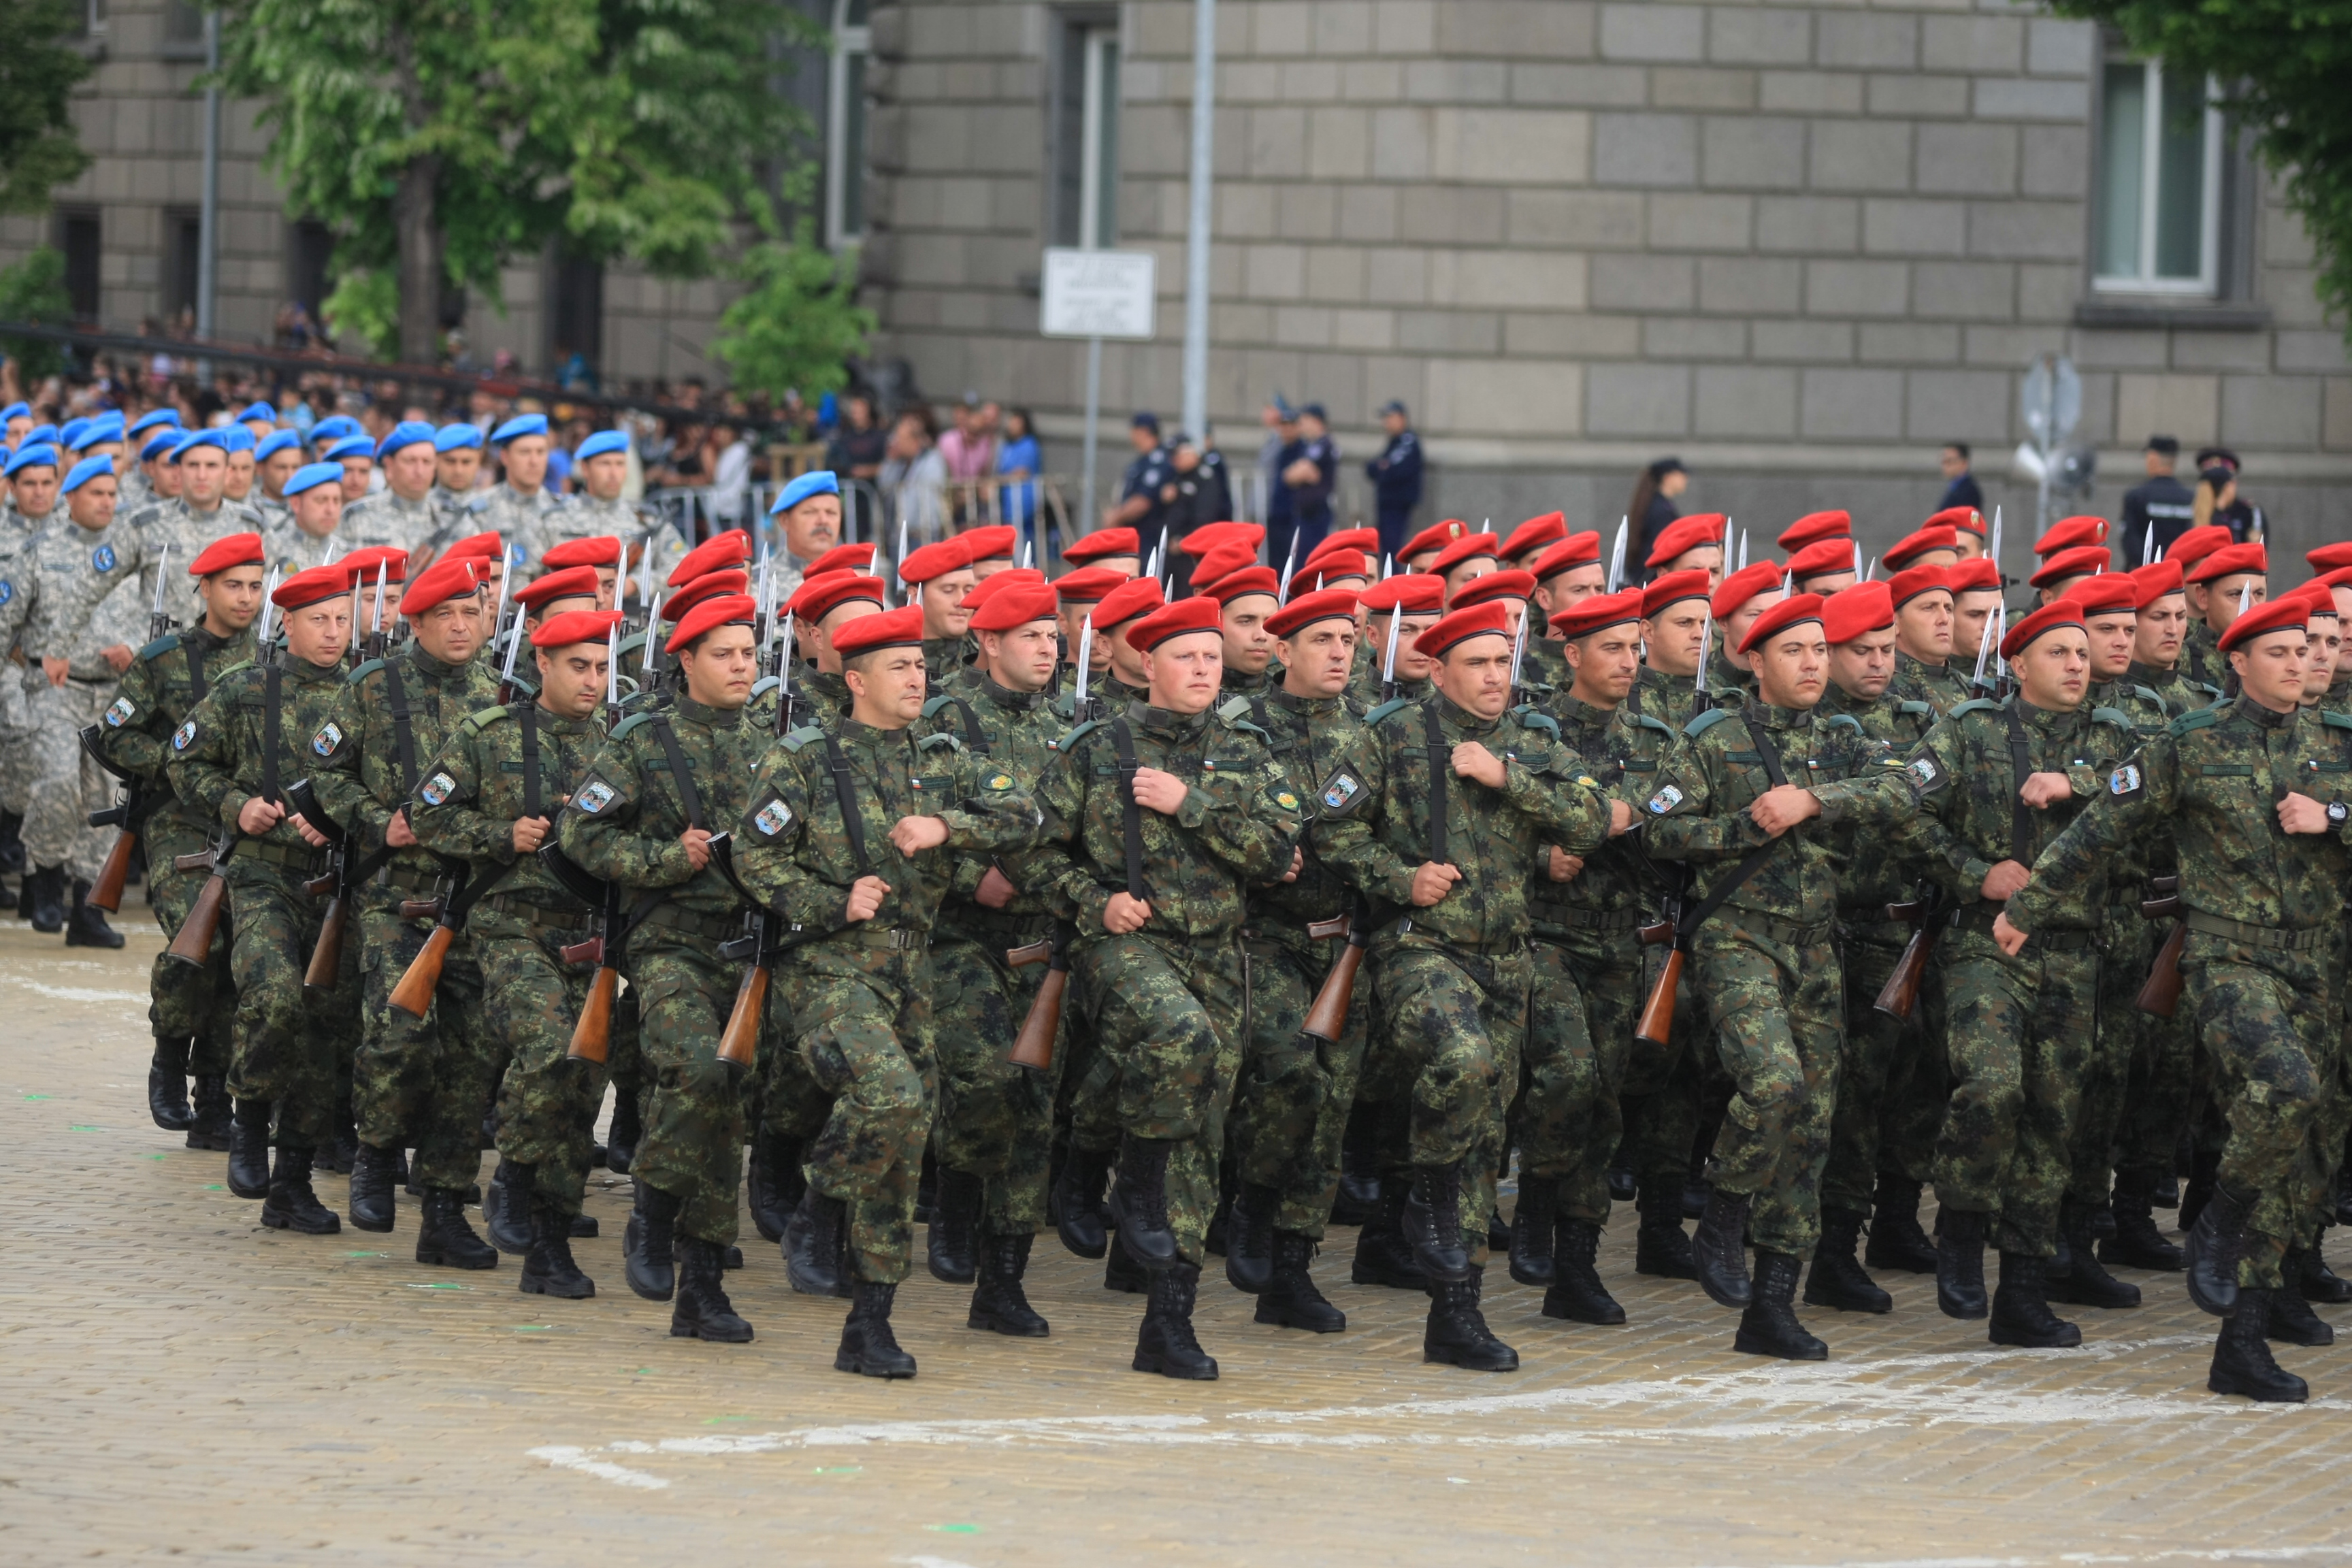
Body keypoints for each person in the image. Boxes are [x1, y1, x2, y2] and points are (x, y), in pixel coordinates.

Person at [1999, 593, 2346, 1401]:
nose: (2301, 664)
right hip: (2229, 962)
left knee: (2292, 1151)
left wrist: (2334, 815)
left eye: (2307, 652)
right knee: (2286, 1088)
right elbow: (2099, 829)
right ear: (2239, 661)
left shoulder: (2336, 746)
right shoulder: (2189, 746)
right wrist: (2029, 905)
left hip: (2316, 967)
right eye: (2282, 653)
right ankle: (2217, 1215)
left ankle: (2244, 1343)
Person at [1320, 602, 1629, 1370]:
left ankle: (1455, 1315)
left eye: (1503, 662)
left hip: (1509, 958)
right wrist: (1399, 876)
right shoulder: (1390, 736)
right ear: (1439, 669)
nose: (1496, 678)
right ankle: (1424, 1190)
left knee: (1487, 1134)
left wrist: (1509, 778)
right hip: (1420, 947)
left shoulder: (1531, 740)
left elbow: (1594, 821)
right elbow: (1332, 829)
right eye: (1479, 664)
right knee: (1464, 1064)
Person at [736, 604, 1037, 1375]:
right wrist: (830, 901)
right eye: (900, 667)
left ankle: (869, 1322)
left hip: (913, 974)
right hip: (830, 967)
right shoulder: (801, 758)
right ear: (856, 678)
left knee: (904, 1148)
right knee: (893, 1097)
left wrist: (947, 826)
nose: (918, 678)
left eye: (921, 665)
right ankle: (817, 1206)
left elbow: (1027, 811)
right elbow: (754, 858)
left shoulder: (942, 758)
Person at [1010, 595, 1305, 1379]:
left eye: (1214, 656)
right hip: (1125, 948)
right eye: (1188, 656)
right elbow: (1032, 856)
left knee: (1203, 1132)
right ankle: (1134, 1182)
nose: (1205, 669)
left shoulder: (1247, 749)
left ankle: (1167, 1325)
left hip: (1219, 953)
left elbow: (1281, 854)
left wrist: (1192, 805)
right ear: (1148, 665)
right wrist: (1094, 901)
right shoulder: (1097, 748)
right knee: (1183, 1040)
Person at [1640, 592, 1928, 1358]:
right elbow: (1657, 830)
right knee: (1774, 1085)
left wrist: (1814, 800)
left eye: (1816, 649)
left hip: (1814, 946)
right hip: (1736, 939)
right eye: (1793, 651)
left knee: (1809, 1128)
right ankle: (1726, 1204)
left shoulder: (1843, 738)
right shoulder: (1712, 737)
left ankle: (1771, 1307)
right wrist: (1745, 827)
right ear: (1754, 660)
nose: (1811, 663)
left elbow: (1905, 791)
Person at [1900, 600, 2136, 1346]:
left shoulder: (2114, 737)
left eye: (2082, 652)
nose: (2077, 665)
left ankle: (2024, 1293)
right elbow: (1905, 808)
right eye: (2060, 652)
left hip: (2073, 947)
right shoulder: (1972, 730)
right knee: (1992, 1085)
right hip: (1985, 945)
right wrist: (1974, 872)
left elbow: (2154, 794)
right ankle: (1963, 1227)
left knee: (2051, 1116)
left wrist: (2078, 784)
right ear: (2017, 662)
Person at [557, 592, 765, 1341]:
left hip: (748, 948)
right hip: (669, 940)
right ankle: (651, 1209)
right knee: (697, 1072)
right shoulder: (645, 741)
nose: (741, 667)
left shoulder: (776, 743)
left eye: (748, 654)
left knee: (728, 1106)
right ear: (685, 660)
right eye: (724, 654)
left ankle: (702, 1286)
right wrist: (661, 860)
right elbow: (578, 833)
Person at [407, 607, 622, 1298]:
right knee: (538, 1053)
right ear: (544, 666)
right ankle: (480, 1196)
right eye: (579, 667)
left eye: (600, 667)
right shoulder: (489, 735)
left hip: (586, 937)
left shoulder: (620, 745)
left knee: (581, 1075)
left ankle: (546, 1230)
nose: (593, 680)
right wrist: (500, 835)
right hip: (504, 926)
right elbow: (426, 814)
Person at [313, 557, 504, 1261]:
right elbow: (325, 776)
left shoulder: (501, 694)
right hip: (396, 893)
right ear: (415, 623)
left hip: (474, 896)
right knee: (398, 1035)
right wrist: (373, 819)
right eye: (445, 615)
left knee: (472, 1056)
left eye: (472, 612)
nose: (461, 626)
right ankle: (375, 1152)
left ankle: (447, 1206)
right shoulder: (372, 689)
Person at [166, 561, 363, 1235]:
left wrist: (340, 820)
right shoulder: (247, 688)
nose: (334, 633)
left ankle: (293, 1183)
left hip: (338, 885)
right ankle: (248, 1116)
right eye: (319, 621)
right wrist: (235, 804)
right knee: (275, 997)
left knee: (325, 1030)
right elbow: (183, 760)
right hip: (260, 876)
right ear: (287, 623)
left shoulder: (367, 697)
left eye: (343, 619)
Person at [909, 580, 1066, 1332]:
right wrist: (975, 876)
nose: (1048, 649)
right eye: (1032, 637)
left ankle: (1003, 1280)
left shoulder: (1070, 726)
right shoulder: (939, 718)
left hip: (1046, 943)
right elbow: (904, 824)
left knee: (1035, 1106)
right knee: (979, 1082)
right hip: (960, 935)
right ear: (991, 642)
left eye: (1054, 637)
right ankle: (956, 1198)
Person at [1218, 587, 1369, 1332]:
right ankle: (1250, 1201)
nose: (1340, 652)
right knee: (1287, 1074)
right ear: (1283, 652)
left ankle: (1292, 1267)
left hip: (1346, 943)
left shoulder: (1373, 735)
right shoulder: (1242, 731)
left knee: (1333, 1102)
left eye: (1348, 639)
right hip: (1268, 937)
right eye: (1322, 640)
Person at [97, 532, 264, 1150]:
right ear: (206, 589)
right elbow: (113, 736)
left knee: (241, 958)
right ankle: (170, 1051)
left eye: (255, 585)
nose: (246, 598)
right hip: (179, 823)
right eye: (233, 586)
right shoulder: (164, 659)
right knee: (198, 947)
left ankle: (215, 1095)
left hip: (248, 824)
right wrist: (176, 760)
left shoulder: (271, 657)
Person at [11, 455, 146, 941]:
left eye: (112, 494)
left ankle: (87, 908)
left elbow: (156, 613)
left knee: (106, 802)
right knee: (57, 784)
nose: (107, 503)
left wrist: (134, 648)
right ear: (70, 498)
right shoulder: (39, 550)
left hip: (112, 695)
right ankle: (45, 881)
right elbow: (8, 625)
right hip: (53, 690)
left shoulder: (130, 554)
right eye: (96, 493)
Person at [1276, 404, 1337, 569]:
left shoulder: (1323, 445)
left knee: (1311, 561)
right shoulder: (1310, 446)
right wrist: (1301, 472)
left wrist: (1301, 472)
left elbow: (1300, 472)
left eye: (1305, 421)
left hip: (1316, 513)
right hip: (1305, 512)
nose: (1301, 426)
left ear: (1316, 421)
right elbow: (1289, 475)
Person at [2121, 435, 2196, 567]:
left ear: (2153, 458)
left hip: (2145, 576)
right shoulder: (2189, 499)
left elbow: (2131, 542)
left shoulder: (2136, 497)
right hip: (2178, 577)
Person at [1365, 400, 1423, 564]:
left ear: (1402, 418)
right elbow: (1372, 468)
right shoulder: (1394, 442)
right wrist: (1382, 467)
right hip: (1387, 503)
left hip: (1397, 504)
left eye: (1390, 417)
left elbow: (1396, 470)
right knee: (1385, 548)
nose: (1387, 422)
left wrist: (1383, 467)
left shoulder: (1408, 442)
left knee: (1393, 549)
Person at [1627, 457, 1688, 568]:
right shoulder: (1660, 509)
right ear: (1667, 478)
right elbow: (1657, 547)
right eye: (1681, 475)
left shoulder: (1661, 505)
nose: (1685, 479)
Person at [1938, 442, 1984, 514]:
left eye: (1950, 461)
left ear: (1964, 463)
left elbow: (1973, 521)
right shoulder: (1956, 488)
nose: (1945, 466)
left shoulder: (1969, 492)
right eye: (1944, 461)